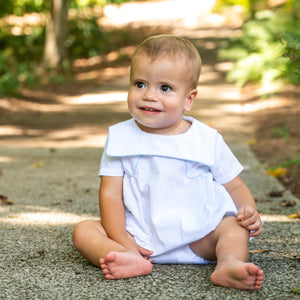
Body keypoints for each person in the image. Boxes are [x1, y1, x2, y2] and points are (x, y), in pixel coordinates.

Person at [72, 34, 264, 290]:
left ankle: (229, 264)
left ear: (189, 99)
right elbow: (110, 196)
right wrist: (125, 242)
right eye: (139, 84)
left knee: (233, 227)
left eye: (165, 88)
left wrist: (248, 210)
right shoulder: (120, 137)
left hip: (201, 235)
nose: (149, 95)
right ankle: (128, 259)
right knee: (84, 231)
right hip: (139, 236)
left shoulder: (206, 139)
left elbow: (235, 186)